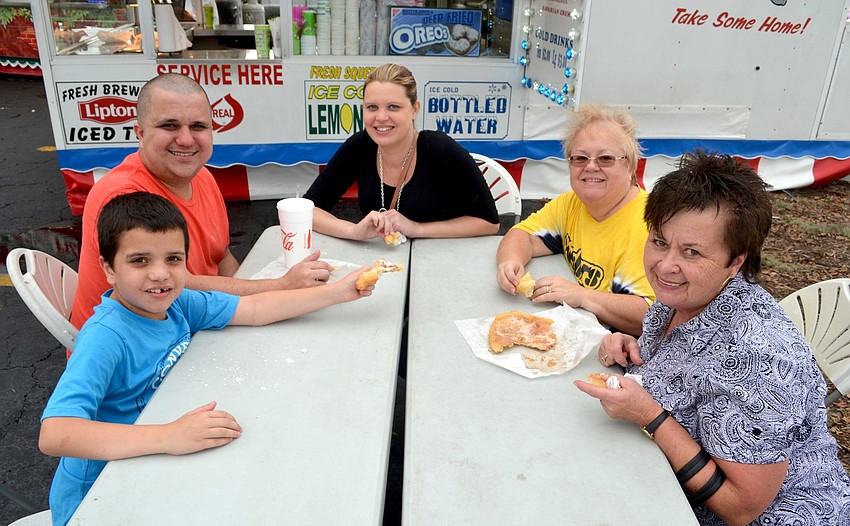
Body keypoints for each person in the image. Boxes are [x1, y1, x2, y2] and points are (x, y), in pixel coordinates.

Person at [40, 192, 374, 526]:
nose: (160, 274)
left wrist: (340, 293)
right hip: (96, 504)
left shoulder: (177, 302)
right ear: (108, 269)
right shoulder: (105, 337)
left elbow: (255, 310)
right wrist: (169, 436)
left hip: (156, 463)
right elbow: (55, 433)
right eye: (139, 260)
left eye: (173, 259)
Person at [576, 151, 850, 526]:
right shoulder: (686, 298)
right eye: (659, 241)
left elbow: (742, 508)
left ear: (735, 261)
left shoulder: (758, 360)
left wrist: (649, 414)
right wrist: (634, 356)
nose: (665, 265)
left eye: (692, 253)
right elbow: (684, 373)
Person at [70, 73, 333, 331]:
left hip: (191, 324)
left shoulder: (202, 176)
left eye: (198, 127)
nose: (186, 140)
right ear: (140, 133)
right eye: (169, 126)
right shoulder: (123, 196)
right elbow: (179, 287)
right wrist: (278, 287)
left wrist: (263, 302)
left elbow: (222, 258)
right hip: (138, 355)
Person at [496, 104, 654, 336]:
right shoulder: (572, 203)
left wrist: (580, 295)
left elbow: (651, 317)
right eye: (580, 158)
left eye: (606, 158)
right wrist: (509, 264)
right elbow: (524, 236)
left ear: (630, 165)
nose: (591, 166)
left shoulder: (648, 226)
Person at [303, 63, 500, 240]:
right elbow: (306, 210)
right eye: (372, 107)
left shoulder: (440, 149)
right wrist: (354, 231)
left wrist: (416, 228)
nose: (381, 117)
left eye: (393, 107)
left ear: (415, 109)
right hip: (385, 265)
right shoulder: (360, 145)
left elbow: (489, 223)